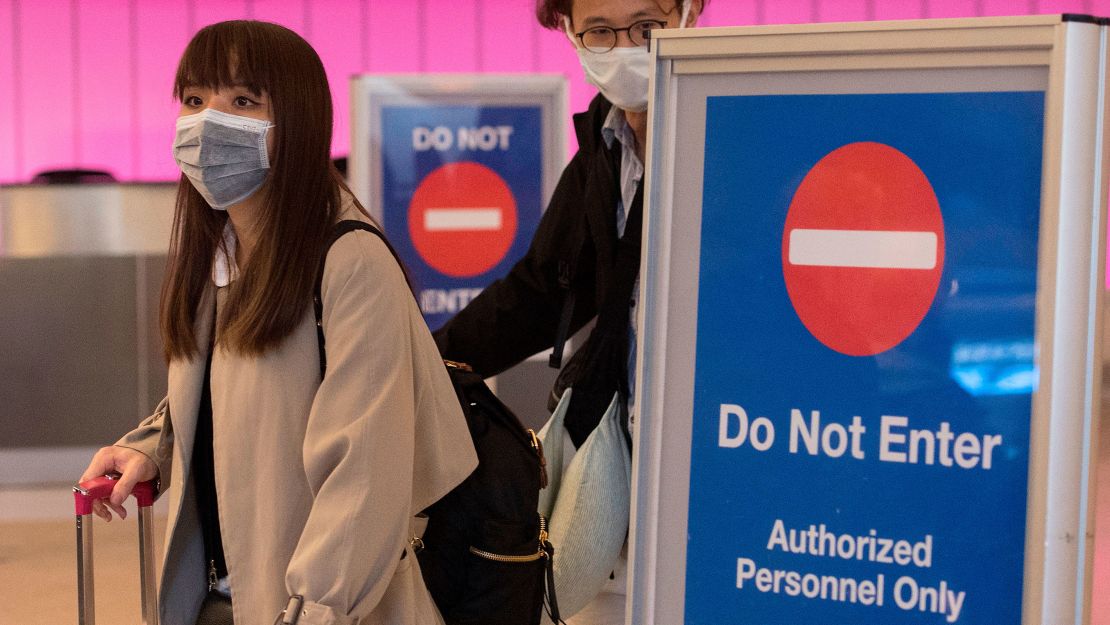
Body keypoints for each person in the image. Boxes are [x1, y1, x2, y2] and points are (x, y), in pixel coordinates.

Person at [78, 20, 476, 625]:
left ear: (297, 120)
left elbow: (365, 472)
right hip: (220, 597)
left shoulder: (349, 261)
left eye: (243, 101)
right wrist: (156, 445)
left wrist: (316, 609)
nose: (209, 120)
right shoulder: (220, 253)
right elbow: (236, 392)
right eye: (194, 100)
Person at [434, 1, 703, 623]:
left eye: (647, 27)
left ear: (690, 13)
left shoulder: (732, 132)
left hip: (706, 462)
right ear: (569, 32)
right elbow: (541, 291)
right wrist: (424, 362)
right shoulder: (603, 143)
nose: (627, 47)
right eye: (601, 32)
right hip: (614, 455)